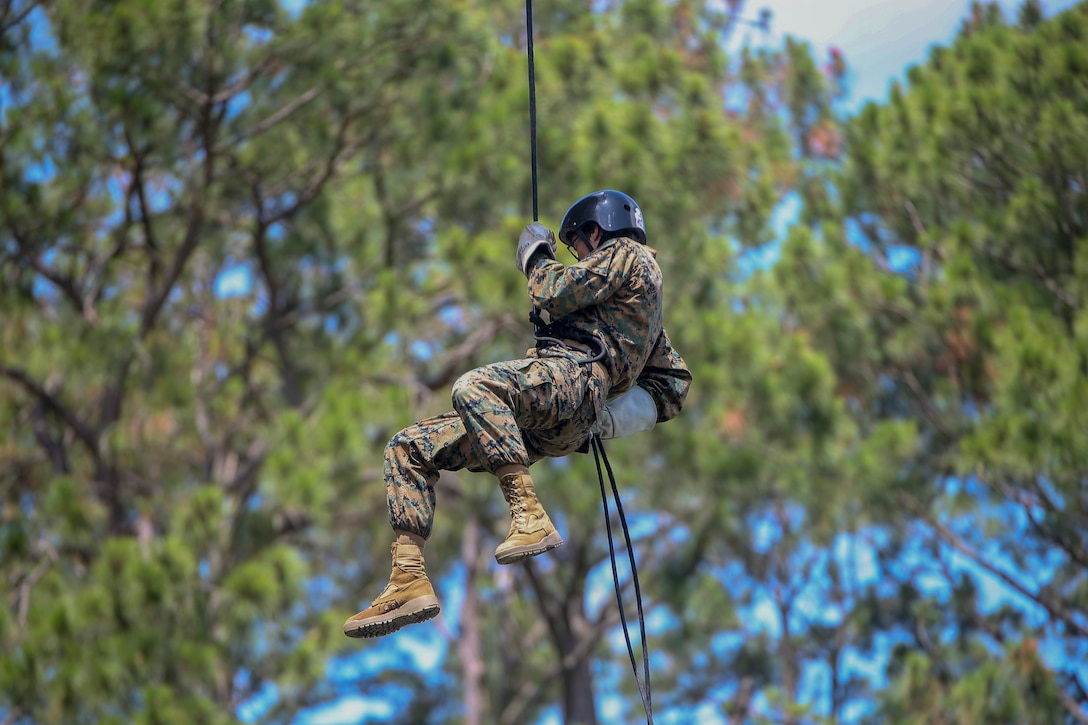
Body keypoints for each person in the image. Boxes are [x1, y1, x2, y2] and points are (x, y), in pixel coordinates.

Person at [343, 190, 692, 638]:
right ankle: (408, 578)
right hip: (559, 417)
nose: (580, 258)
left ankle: (528, 516)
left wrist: (537, 255)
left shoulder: (627, 253)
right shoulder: (641, 312)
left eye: (578, 248)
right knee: (408, 448)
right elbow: (674, 384)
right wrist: (605, 422)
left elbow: (553, 289)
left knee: (474, 387)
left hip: (573, 379)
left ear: (595, 233)